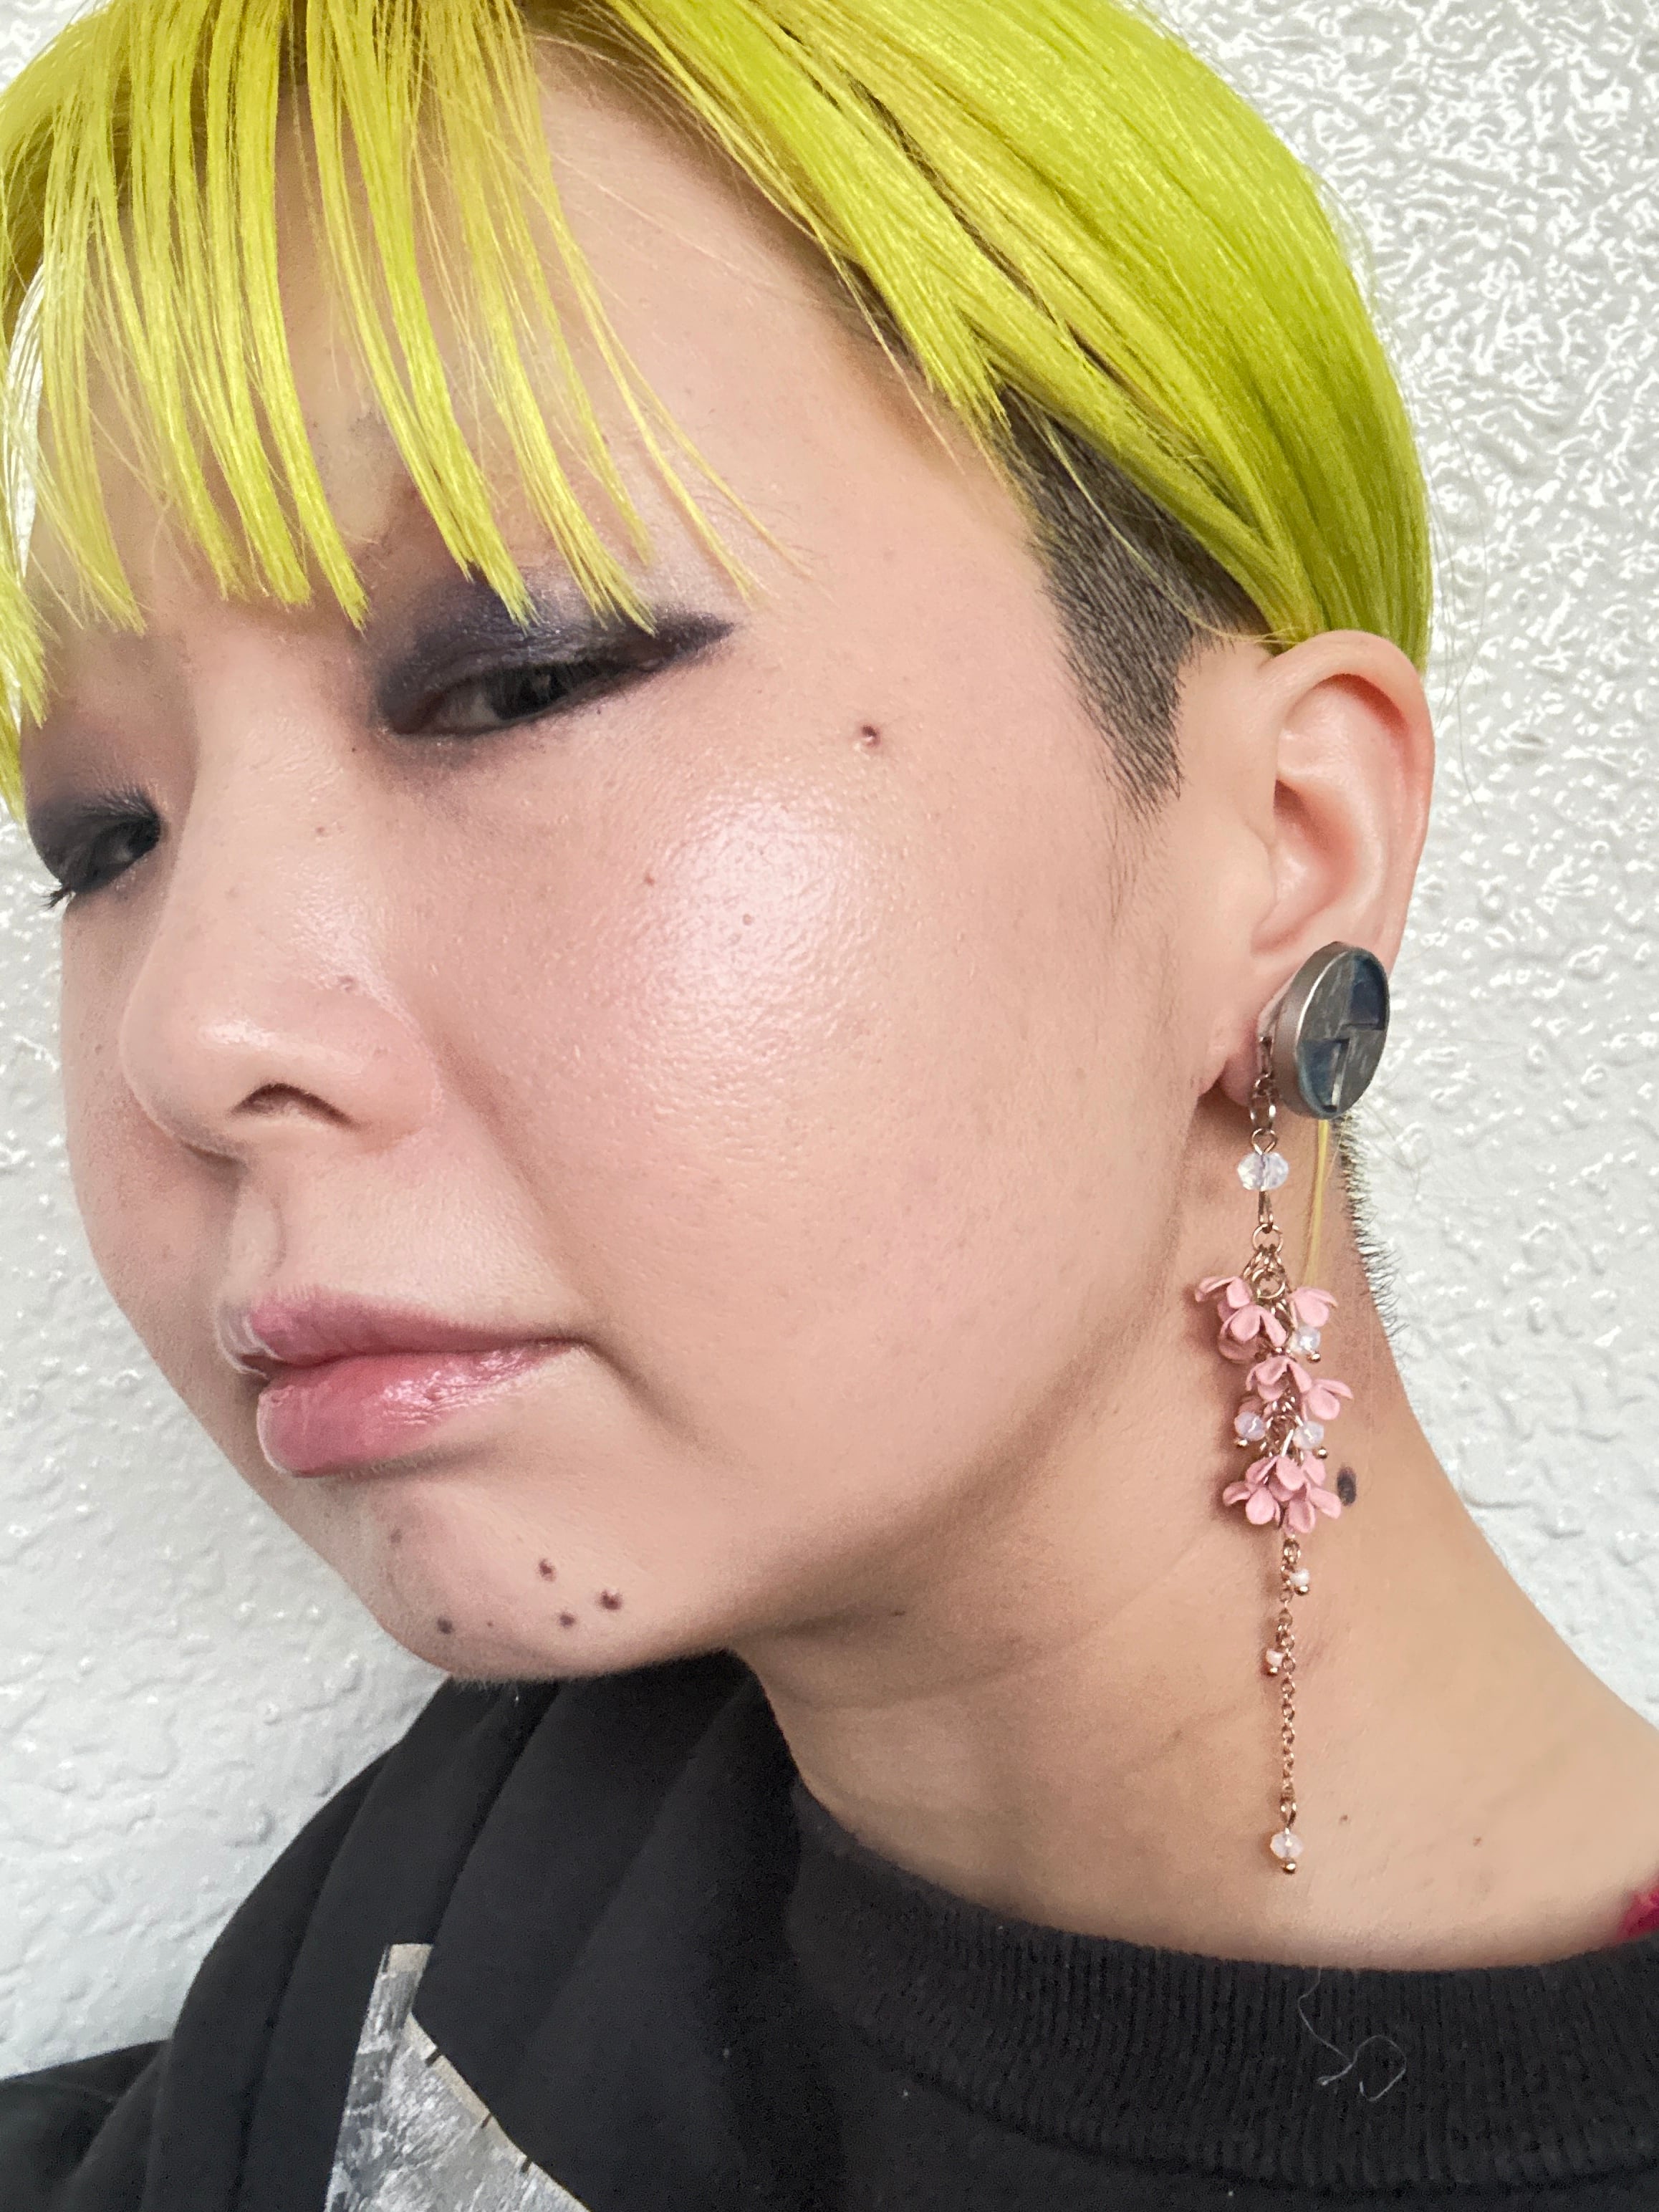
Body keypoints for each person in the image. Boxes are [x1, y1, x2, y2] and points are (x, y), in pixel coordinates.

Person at [1, 0, 1657, 2206]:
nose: (190, 1035)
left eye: (512, 682)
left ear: (1280, 842)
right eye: (105, 839)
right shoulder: (508, 1834)